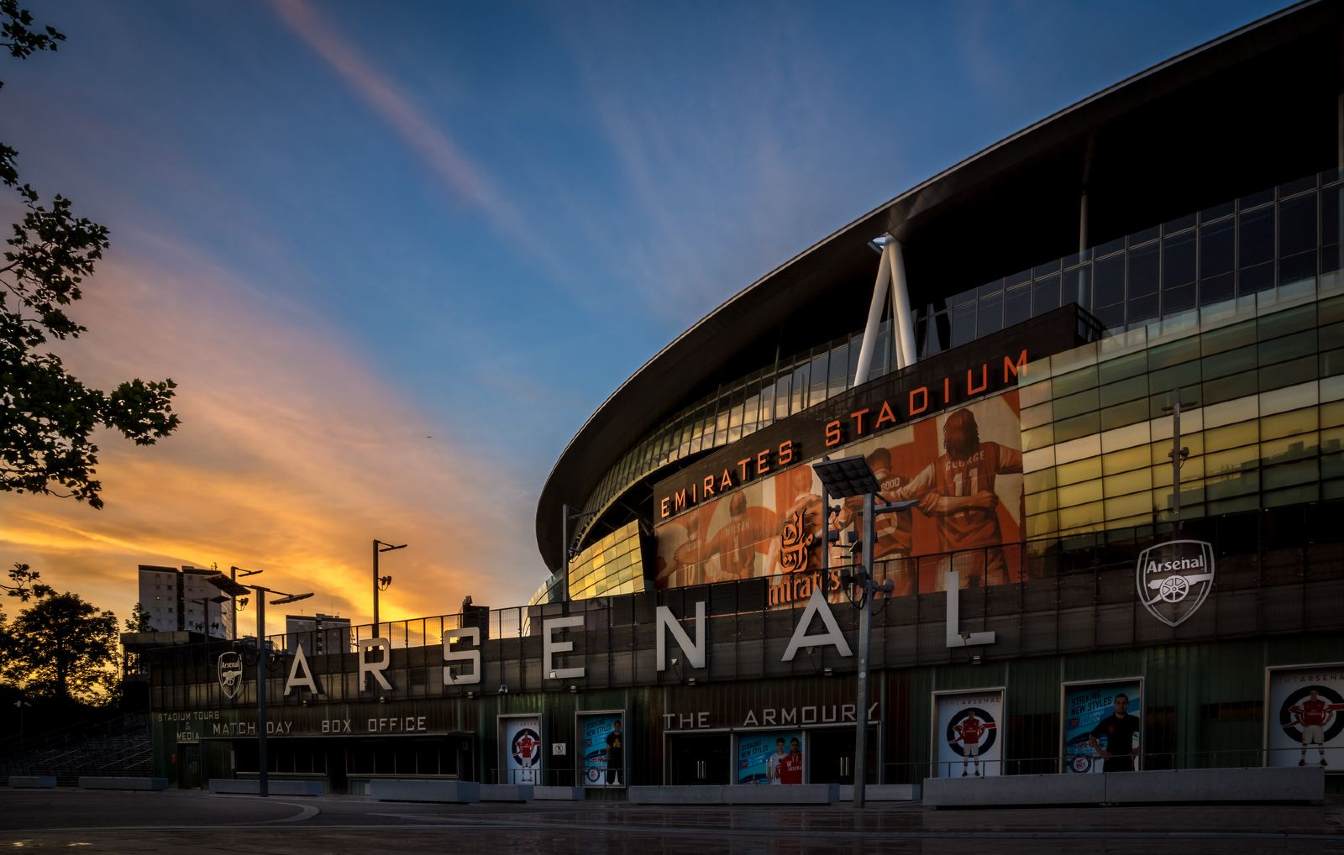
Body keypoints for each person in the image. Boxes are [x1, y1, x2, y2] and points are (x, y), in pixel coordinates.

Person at [897, 408, 1022, 583]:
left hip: (955, 554)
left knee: (949, 608)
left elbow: (906, 494)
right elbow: (1029, 459)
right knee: (999, 605)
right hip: (987, 548)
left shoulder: (937, 467)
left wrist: (873, 495)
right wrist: (974, 500)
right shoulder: (991, 451)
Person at [1290, 688, 1343, 767]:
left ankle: (1322, 759)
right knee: (1304, 743)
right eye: (1312, 694)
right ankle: (1302, 759)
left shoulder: (1322, 703)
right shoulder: (1305, 704)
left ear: (1317, 695)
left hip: (1318, 726)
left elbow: (1331, 713)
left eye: (1315, 694)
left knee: (1320, 743)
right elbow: (1297, 713)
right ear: (1310, 695)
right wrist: (1302, 723)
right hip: (1308, 726)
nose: (1313, 695)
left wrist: (1325, 722)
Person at [1088, 693, 1141, 772]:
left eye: (1124, 703)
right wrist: (1101, 752)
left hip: (1127, 761)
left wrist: (1137, 750)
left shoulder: (1134, 720)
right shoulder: (1107, 721)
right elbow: (1092, 736)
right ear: (1114, 705)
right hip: (1110, 762)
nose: (1121, 705)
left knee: (1129, 784)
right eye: (1118, 703)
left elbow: (1147, 734)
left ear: (1127, 705)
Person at [953, 712, 994, 777]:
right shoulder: (964, 722)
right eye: (970, 714)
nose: (971, 716)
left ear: (974, 715)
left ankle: (977, 771)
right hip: (966, 742)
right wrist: (958, 731)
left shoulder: (977, 721)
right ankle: (965, 771)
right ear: (968, 715)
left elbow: (983, 728)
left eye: (972, 714)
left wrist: (979, 736)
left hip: (975, 741)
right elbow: (958, 728)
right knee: (966, 756)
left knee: (976, 756)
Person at [605, 719, 624, 786]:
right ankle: (610, 784)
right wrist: (607, 755)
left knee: (621, 771)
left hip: (620, 757)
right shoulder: (610, 736)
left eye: (618, 726)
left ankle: (621, 783)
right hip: (612, 757)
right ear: (614, 726)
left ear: (620, 726)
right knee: (611, 771)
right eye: (616, 726)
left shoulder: (623, 736)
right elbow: (608, 747)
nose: (617, 727)